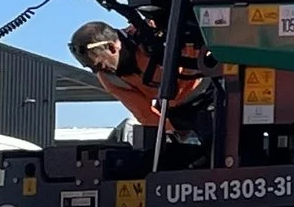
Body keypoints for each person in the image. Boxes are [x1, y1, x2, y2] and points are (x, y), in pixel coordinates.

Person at [69, 19, 207, 132]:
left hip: (212, 87)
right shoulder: (110, 79)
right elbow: (146, 115)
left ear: (111, 48)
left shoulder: (152, 34)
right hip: (181, 111)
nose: (97, 72)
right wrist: (176, 130)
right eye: (91, 68)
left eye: (98, 65)